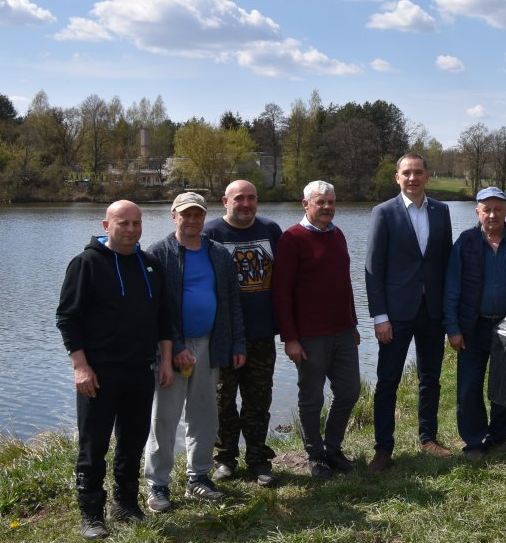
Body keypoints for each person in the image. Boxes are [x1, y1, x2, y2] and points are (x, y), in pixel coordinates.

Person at [57, 200, 174, 540]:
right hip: (99, 372)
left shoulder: (149, 264)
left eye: (136, 223)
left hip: (141, 369)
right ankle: (91, 513)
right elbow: (68, 318)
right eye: (123, 223)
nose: (131, 229)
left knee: (133, 440)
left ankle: (125, 503)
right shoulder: (86, 264)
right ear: (106, 225)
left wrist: (165, 360)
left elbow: (163, 317)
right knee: (93, 446)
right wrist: (80, 367)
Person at [145, 192, 246, 512]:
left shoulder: (218, 253)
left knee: (205, 414)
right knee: (164, 417)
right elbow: (156, 308)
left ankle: (198, 478)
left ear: (204, 217)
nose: (192, 220)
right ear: (173, 216)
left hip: (210, 344)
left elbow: (232, 302)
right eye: (185, 214)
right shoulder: (158, 253)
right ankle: (157, 485)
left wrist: (237, 343)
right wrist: (174, 347)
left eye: (197, 214)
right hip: (169, 349)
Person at [366, 153, 454, 468]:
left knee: (430, 378)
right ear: (397, 178)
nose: (412, 178)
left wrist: (448, 311)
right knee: (387, 380)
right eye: (407, 173)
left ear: (427, 176)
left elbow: (446, 263)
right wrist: (379, 316)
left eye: (418, 172)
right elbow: (373, 267)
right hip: (396, 313)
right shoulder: (383, 213)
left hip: (432, 311)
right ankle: (383, 448)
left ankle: (428, 438)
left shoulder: (441, 211)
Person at [272, 180, 361, 479]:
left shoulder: (338, 235)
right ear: (305, 204)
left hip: (343, 331)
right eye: (320, 202)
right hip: (309, 336)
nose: (326, 208)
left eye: (331, 202)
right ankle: (315, 455)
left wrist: (353, 322)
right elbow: (281, 293)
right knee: (312, 397)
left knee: (349, 391)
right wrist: (290, 338)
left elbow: (344, 283)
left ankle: (333, 450)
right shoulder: (291, 239)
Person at [204, 180, 284, 488]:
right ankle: (225, 459)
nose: (246, 203)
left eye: (251, 198)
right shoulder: (211, 233)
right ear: (226, 201)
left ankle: (258, 459)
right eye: (240, 198)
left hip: (262, 332)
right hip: (222, 335)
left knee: (258, 398)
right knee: (222, 399)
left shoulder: (270, 230)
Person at [443, 187, 506, 460]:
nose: (492, 214)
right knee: (469, 386)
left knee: (504, 385)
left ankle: (498, 437)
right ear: (477, 212)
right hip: (473, 326)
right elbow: (451, 287)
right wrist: (453, 328)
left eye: (498, 209)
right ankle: (474, 441)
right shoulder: (466, 241)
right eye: (486, 209)